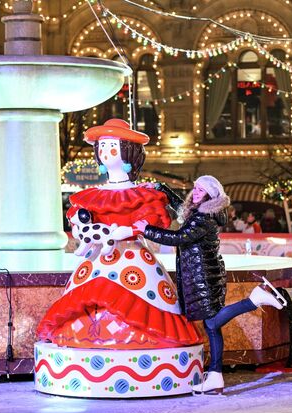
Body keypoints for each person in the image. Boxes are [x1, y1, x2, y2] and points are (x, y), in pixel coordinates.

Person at [37, 119, 201, 352]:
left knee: (138, 295)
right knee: (86, 295)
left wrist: (130, 230)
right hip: (97, 257)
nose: (105, 152)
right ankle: (86, 336)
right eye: (102, 146)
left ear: (128, 151)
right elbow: (79, 221)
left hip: (132, 256)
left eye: (112, 146)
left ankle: (141, 341)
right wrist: (81, 229)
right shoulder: (93, 195)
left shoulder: (141, 194)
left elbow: (150, 222)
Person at [134, 175, 284, 394]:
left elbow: (179, 237)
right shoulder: (201, 211)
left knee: (212, 323)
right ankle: (215, 376)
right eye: (195, 188)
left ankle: (253, 300)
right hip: (206, 273)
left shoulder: (203, 218)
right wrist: (159, 187)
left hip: (202, 276)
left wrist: (147, 230)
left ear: (210, 195)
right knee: (212, 326)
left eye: (201, 190)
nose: (195, 192)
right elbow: (181, 206)